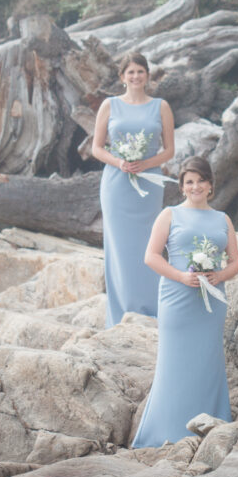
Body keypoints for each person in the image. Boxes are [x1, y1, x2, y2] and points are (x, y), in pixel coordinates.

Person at [131, 156, 238, 448]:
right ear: (182, 186)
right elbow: (151, 256)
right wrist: (181, 276)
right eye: (189, 182)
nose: (195, 186)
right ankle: (164, 429)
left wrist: (218, 276)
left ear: (210, 185)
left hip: (212, 301)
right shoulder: (169, 215)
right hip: (177, 297)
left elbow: (235, 262)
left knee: (208, 358)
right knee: (174, 361)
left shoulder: (222, 219)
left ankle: (210, 420)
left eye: (200, 181)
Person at [90, 52, 175, 327]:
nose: (136, 76)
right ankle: (121, 312)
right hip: (117, 185)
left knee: (149, 244)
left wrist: (144, 163)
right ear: (122, 77)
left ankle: (153, 307)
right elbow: (97, 147)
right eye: (131, 72)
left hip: (148, 184)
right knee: (120, 247)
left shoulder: (161, 106)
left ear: (147, 75)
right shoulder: (110, 105)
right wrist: (120, 162)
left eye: (140, 71)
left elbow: (169, 151)